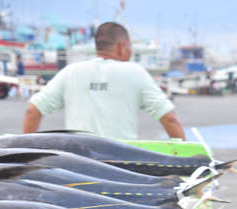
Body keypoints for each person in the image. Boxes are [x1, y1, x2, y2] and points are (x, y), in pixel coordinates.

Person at [22, 22, 185, 140]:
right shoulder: (135, 72)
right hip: (120, 166)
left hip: (78, 166)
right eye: (129, 48)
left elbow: (33, 111)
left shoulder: (71, 71)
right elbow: (169, 118)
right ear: (121, 46)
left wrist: (26, 153)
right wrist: (186, 160)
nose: (129, 52)